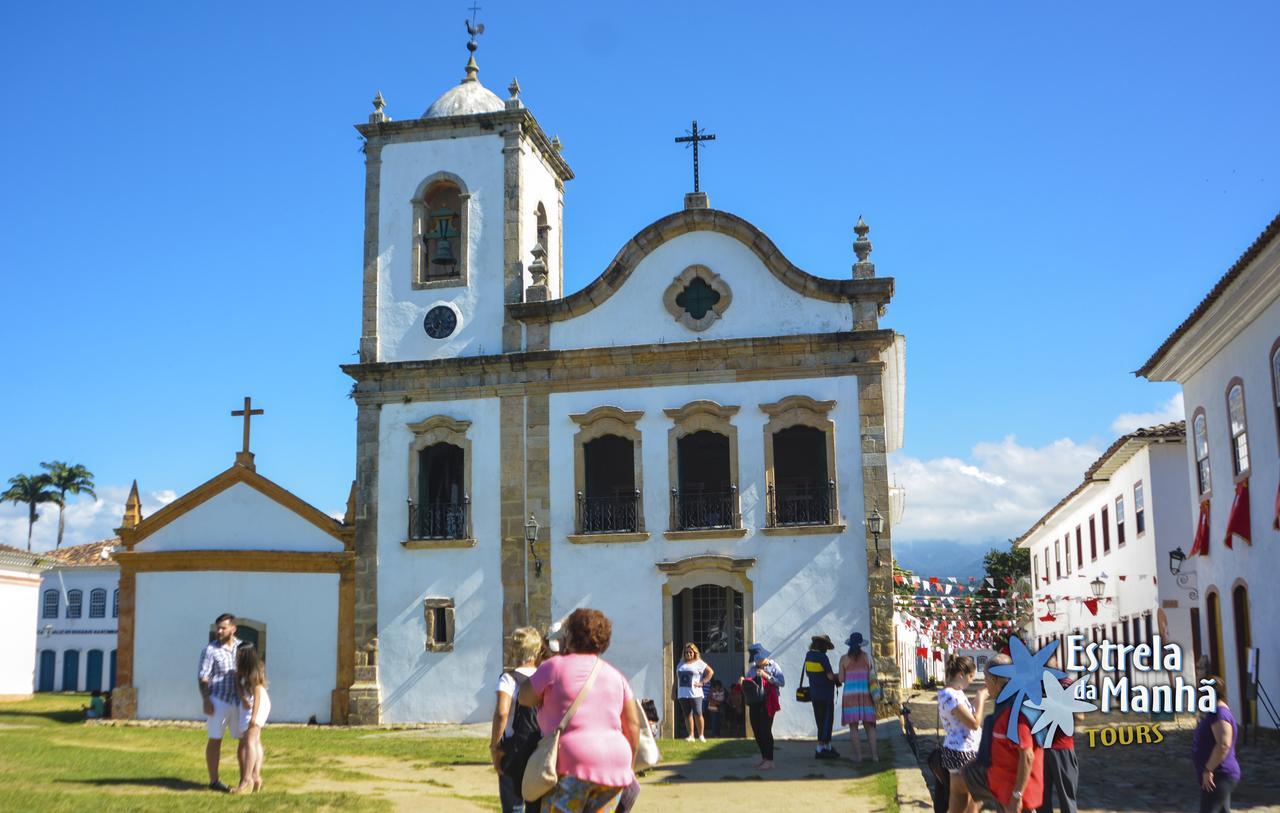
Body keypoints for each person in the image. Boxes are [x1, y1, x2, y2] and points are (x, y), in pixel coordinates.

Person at [518, 608, 641, 812]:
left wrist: (544, 664)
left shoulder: (554, 667)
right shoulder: (615, 675)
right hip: (616, 765)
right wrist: (628, 765)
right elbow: (633, 727)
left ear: (570, 636)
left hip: (572, 761)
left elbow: (524, 697)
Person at [961, 652, 1044, 812]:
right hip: (1002, 786)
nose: (985, 684)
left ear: (996, 681)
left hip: (1016, 793)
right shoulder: (1004, 706)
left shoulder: (1016, 711)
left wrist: (1016, 796)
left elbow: (1027, 756)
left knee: (961, 779)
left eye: (986, 678)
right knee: (964, 776)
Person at [491, 627, 544, 813]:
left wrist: (495, 747)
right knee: (537, 804)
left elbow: (501, 713)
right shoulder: (544, 677)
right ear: (537, 651)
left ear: (513, 650)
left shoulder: (509, 679)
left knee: (514, 804)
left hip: (514, 751)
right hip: (540, 748)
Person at [198, 612, 242, 792]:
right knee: (215, 739)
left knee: (244, 741)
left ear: (233, 628)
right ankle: (214, 781)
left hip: (239, 701)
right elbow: (203, 677)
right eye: (218, 628)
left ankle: (245, 780)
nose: (219, 631)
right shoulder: (210, 650)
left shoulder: (243, 647)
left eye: (223, 628)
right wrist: (206, 699)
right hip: (219, 700)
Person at [938, 655, 986, 813]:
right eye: (970, 676)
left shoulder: (955, 693)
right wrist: (980, 699)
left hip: (963, 748)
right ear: (960, 674)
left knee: (963, 800)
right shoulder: (950, 695)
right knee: (973, 796)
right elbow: (973, 723)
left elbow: (964, 716)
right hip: (961, 750)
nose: (971, 680)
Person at [1192, 675, 1240, 813]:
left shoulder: (1220, 714)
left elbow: (1223, 744)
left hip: (1219, 774)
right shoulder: (1214, 712)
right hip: (1218, 775)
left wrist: (1208, 769)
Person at [1037, 654, 1079, 813]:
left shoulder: (1036, 687)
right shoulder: (1067, 684)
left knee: (1042, 799)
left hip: (1041, 748)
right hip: (1063, 746)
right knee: (1067, 798)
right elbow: (1079, 715)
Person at [233, 643, 270, 794]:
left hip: (258, 702)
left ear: (246, 654)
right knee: (253, 741)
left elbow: (258, 694)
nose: (237, 655)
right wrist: (242, 697)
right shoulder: (241, 667)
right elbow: (237, 683)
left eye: (239, 653)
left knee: (249, 741)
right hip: (248, 700)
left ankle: (247, 779)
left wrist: (254, 717)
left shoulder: (254, 669)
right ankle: (256, 778)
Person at [743, 642, 785, 770]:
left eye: (759, 658)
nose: (757, 661)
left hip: (769, 702)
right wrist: (745, 681)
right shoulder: (753, 669)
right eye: (756, 659)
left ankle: (770, 760)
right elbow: (748, 682)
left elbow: (781, 682)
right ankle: (764, 758)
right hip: (755, 702)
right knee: (756, 730)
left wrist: (766, 676)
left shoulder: (774, 666)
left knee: (765, 730)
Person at [839, 631, 880, 762]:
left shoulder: (844, 659)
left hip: (850, 696)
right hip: (866, 694)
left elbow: (841, 678)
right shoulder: (868, 657)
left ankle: (859, 756)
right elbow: (873, 676)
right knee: (870, 726)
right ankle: (875, 756)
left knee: (853, 727)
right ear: (861, 644)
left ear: (850, 644)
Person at [804, 634, 840, 759]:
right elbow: (830, 676)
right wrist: (838, 677)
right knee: (827, 721)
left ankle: (827, 747)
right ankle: (820, 749)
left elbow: (809, 674)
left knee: (820, 721)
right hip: (826, 694)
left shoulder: (808, 656)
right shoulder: (822, 657)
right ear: (823, 646)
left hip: (814, 694)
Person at [676, 643, 714, 742]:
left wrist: (703, 682)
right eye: (686, 652)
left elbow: (710, 672)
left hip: (695, 693)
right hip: (682, 693)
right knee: (687, 715)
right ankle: (691, 735)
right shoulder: (680, 663)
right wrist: (673, 691)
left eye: (690, 652)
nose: (688, 654)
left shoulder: (699, 662)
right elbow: (677, 679)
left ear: (694, 653)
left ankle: (701, 735)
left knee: (698, 713)